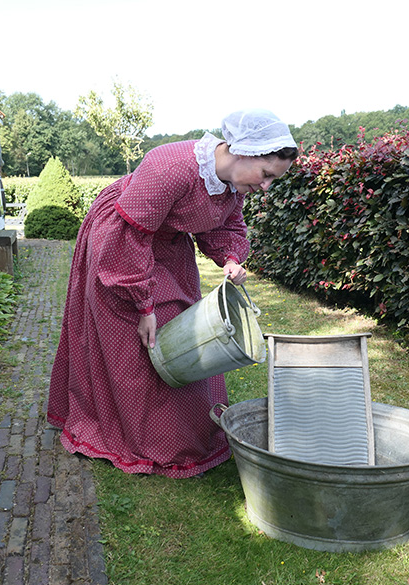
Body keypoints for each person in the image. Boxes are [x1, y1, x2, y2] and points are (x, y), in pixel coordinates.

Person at [47, 109, 298, 478]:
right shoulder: (171, 167)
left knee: (186, 333)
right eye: (265, 175)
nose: (266, 187)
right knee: (136, 338)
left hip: (168, 245)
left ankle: (182, 435)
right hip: (122, 237)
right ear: (244, 150)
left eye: (272, 180)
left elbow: (226, 225)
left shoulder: (230, 186)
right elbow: (131, 236)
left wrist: (229, 259)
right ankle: (136, 438)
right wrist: (144, 305)